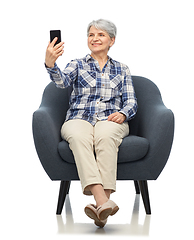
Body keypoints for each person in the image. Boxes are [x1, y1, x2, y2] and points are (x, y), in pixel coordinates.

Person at [45, 19, 137, 227]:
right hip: (79, 117)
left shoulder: (122, 69)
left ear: (112, 40)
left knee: (105, 135)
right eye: (91, 35)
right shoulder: (77, 64)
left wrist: (123, 113)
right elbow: (62, 82)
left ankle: (100, 207)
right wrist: (51, 64)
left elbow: (131, 100)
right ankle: (103, 201)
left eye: (101, 35)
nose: (95, 38)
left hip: (111, 118)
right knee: (78, 136)